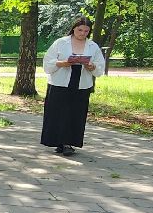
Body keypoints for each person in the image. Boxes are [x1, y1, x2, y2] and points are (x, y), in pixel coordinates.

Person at [40, 16, 106, 156]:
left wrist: (92, 66)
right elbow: (48, 62)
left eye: (86, 31)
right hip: (60, 82)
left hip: (81, 83)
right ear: (74, 28)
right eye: (80, 30)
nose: (82, 33)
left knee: (75, 113)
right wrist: (62, 63)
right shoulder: (61, 43)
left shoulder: (92, 46)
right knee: (58, 113)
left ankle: (68, 143)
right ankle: (58, 141)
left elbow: (100, 67)